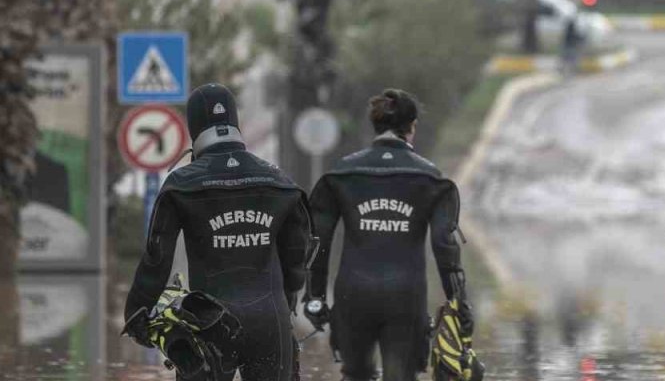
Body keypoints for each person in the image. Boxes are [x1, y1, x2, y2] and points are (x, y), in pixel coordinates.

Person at [124, 84, 312, 381]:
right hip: (270, 319)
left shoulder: (180, 185)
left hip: (207, 322)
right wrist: (287, 302)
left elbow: (156, 261)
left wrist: (137, 314)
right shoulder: (280, 182)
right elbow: (297, 256)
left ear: (193, 127)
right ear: (235, 122)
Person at [304, 89, 473, 381]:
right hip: (406, 299)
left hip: (352, 297)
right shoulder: (431, 180)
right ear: (412, 127)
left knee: (355, 375)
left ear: (376, 125)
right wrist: (459, 303)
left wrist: (314, 296)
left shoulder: (341, 175)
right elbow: (444, 246)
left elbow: (318, 240)